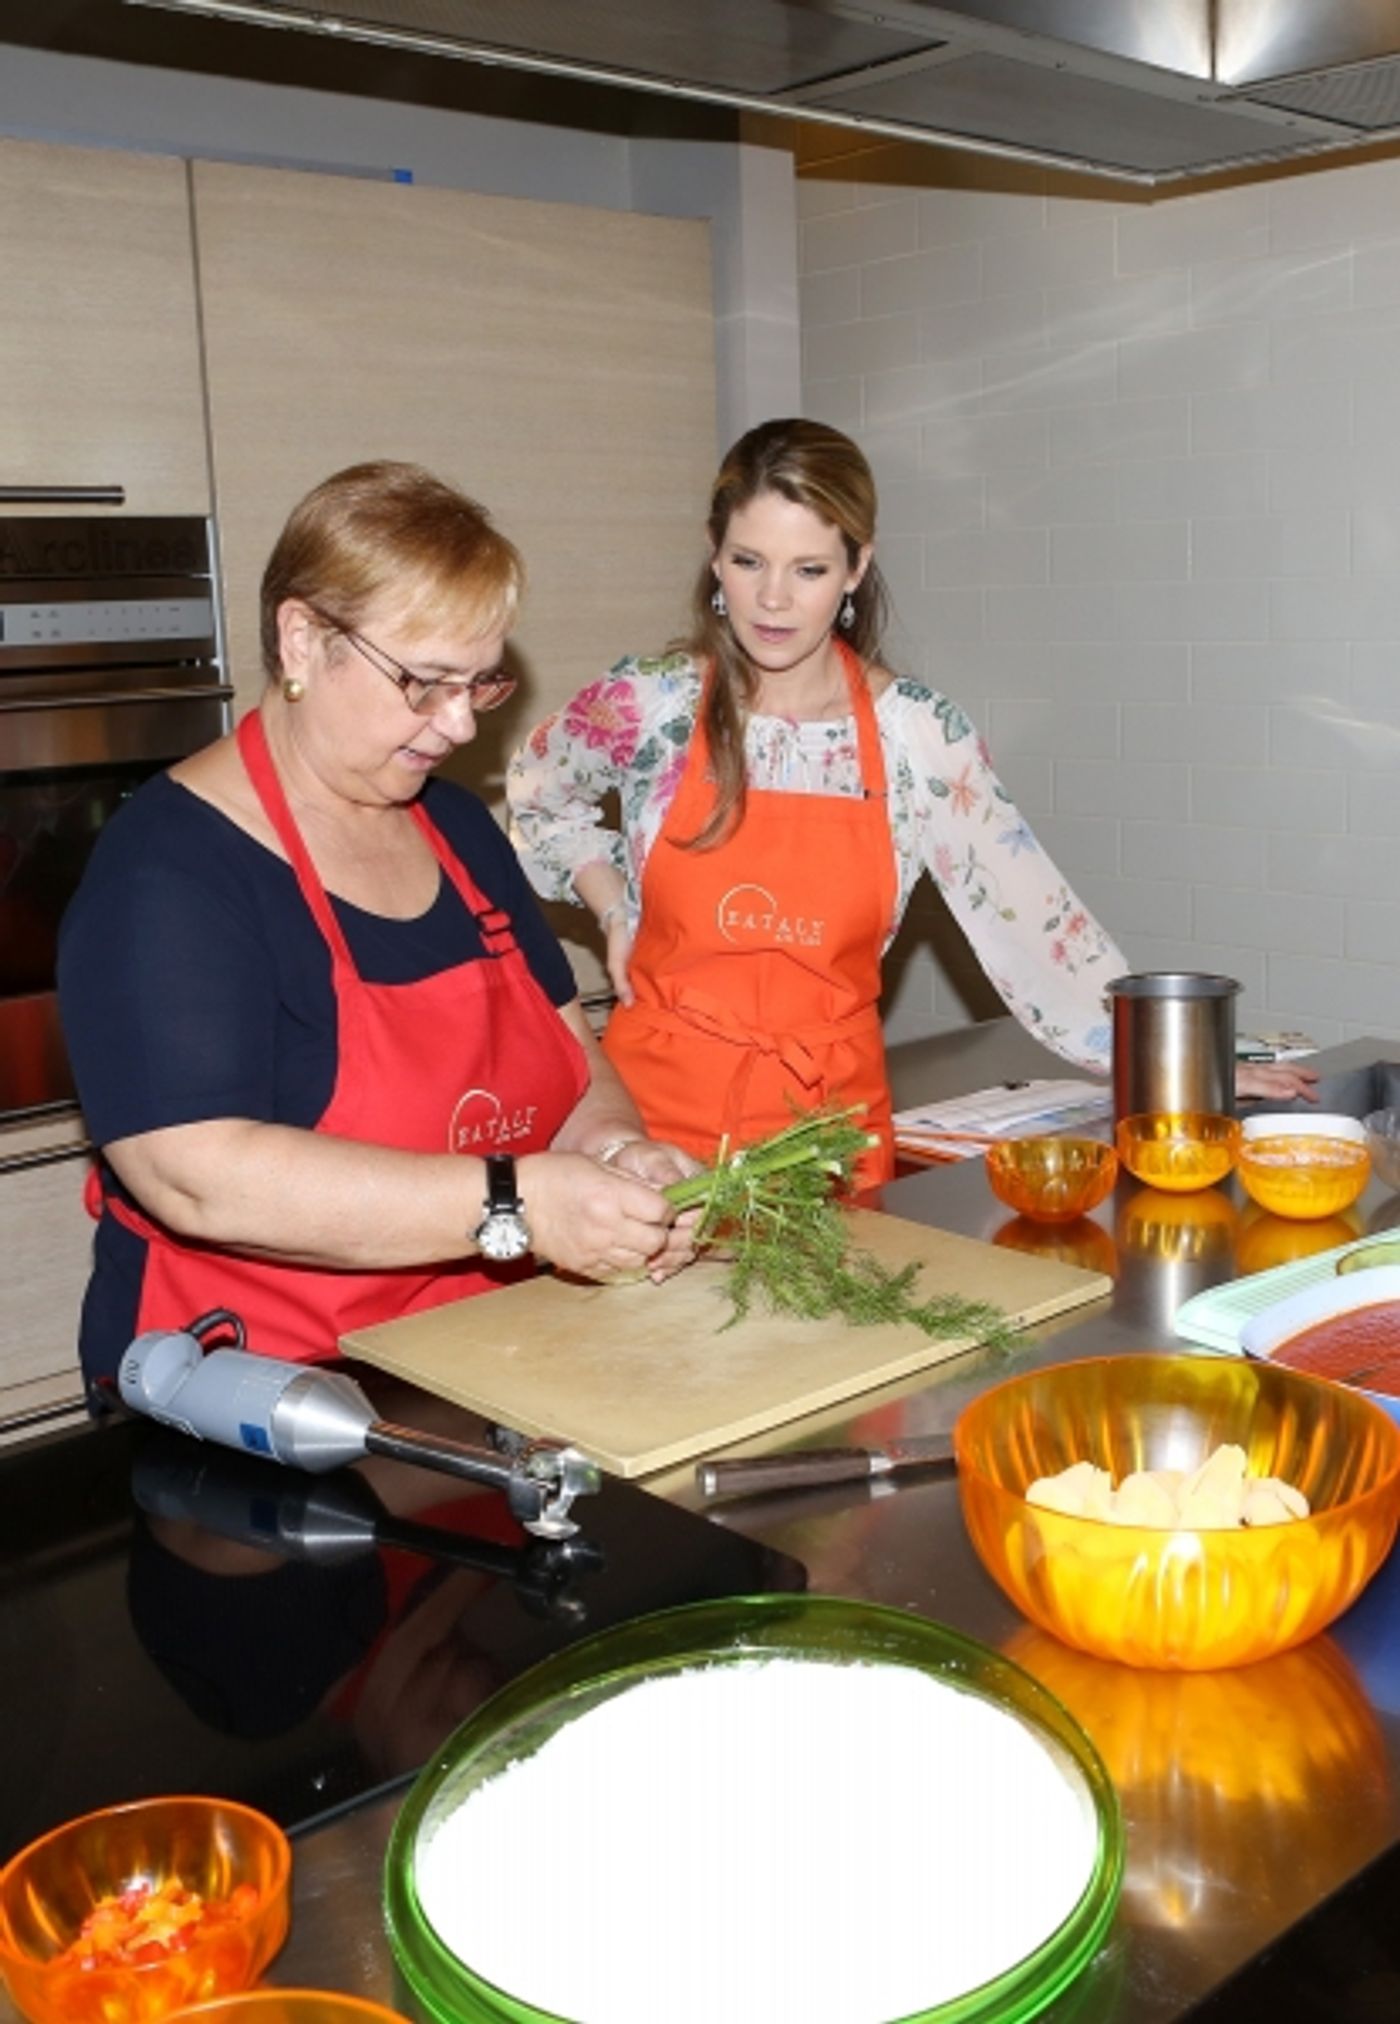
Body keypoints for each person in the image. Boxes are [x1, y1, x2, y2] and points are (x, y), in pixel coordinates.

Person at [506, 418, 1314, 1186]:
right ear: (714, 559)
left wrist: (1197, 1060)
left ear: (857, 569)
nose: (774, 600)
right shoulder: (652, 703)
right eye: (749, 561)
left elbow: (1037, 928)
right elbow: (538, 799)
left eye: (810, 569)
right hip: (651, 1127)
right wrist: (612, 903)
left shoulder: (919, 735)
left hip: (827, 1131)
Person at [58, 461, 694, 1405]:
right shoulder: (169, 872)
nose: (454, 726)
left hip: (487, 1358)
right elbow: (197, 1176)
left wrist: (609, 1153)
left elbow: (572, 1054)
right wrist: (519, 1201)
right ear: (304, 640)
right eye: (424, 682)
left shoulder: (460, 830)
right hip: (256, 1391)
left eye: (477, 685)